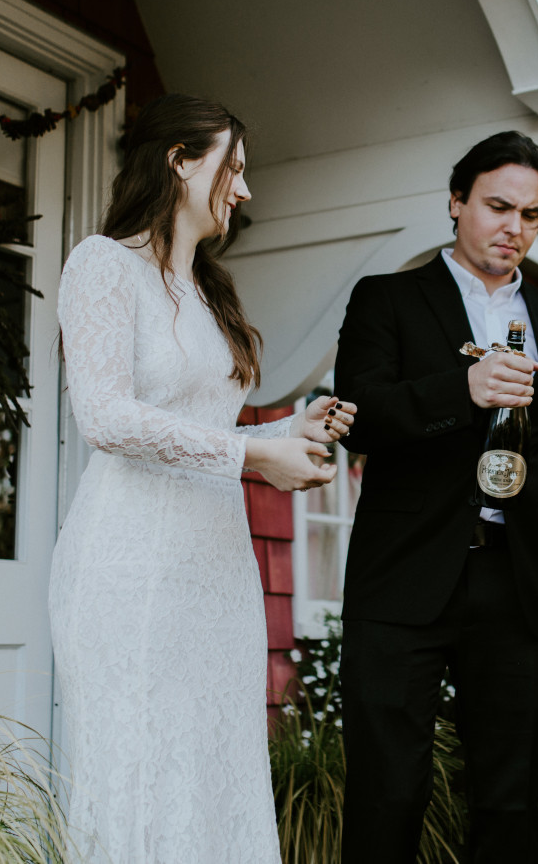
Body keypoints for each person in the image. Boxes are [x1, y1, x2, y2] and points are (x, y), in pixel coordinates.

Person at [49, 93, 356, 864]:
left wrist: (290, 430)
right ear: (179, 162)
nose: (244, 191)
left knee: (216, 770)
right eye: (233, 168)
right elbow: (107, 418)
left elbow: (209, 431)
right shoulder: (101, 266)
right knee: (139, 770)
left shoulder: (211, 295)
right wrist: (257, 458)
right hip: (130, 567)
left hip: (215, 573)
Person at [334, 130, 538, 863]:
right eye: (497, 205)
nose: (513, 227)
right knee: (387, 795)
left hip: (512, 588)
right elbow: (360, 417)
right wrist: (464, 389)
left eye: (531, 214)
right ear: (456, 203)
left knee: (509, 802)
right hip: (401, 583)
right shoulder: (386, 298)